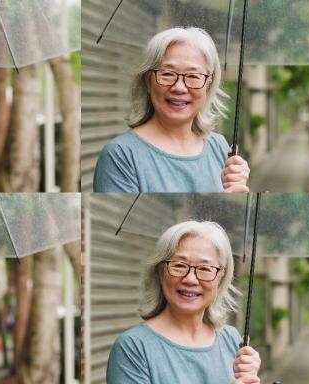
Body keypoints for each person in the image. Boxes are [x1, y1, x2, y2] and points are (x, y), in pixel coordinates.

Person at [93, 27, 250, 192]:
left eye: (193, 76)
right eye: (167, 74)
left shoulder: (219, 146)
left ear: (208, 85)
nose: (179, 87)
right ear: (148, 81)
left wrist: (236, 185)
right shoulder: (120, 155)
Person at [106, 221, 261, 383]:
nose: (190, 279)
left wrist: (248, 375)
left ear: (221, 278)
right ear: (160, 272)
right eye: (179, 265)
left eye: (205, 268)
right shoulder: (133, 347)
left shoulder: (231, 339)